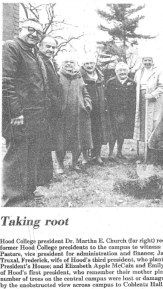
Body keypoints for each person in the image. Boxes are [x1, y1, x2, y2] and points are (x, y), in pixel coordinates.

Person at [2, 18, 51, 206]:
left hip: (36, 115)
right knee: (16, 156)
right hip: (20, 115)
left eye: (38, 32)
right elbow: (6, 82)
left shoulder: (33, 51)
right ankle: (13, 199)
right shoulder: (11, 47)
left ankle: (28, 193)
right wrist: (15, 112)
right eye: (30, 29)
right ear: (21, 29)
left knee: (31, 154)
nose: (34, 34)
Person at [53, 55, 93, 173]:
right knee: (61, 141)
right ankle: (60, 165)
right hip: (62, 114)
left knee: (79, 139)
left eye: (72, 62)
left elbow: (84, 92)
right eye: (66, 61)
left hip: (79, 114)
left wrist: (87, 103)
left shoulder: (78, 76)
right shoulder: (57, 76)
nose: (69, 64)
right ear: (62, 63)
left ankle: (74, 163)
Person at [38, 35, 63, 184]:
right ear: (40, 46)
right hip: (45, 108)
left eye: (53, 47)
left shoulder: (50, 62)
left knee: (48, 143)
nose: (51, 49)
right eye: (48, 46)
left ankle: (47, 176)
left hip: (52, 109)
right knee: (42, 144)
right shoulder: (39, 61)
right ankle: (42, 178)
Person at [80, 56, 112, 165]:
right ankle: (85, 157)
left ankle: (97, 155)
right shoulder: (80, 76)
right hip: (86, 108)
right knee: (85, 132)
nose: (89, 66)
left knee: (99, 132)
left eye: (91, 63)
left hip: (100, 109)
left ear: (95, 64)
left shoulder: (100, 75)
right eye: (87, 63)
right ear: (83, 65)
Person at [106, 62, 136, 160]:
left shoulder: (132, 83)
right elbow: (107, 97)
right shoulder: (111, 82)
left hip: (126, 112)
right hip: (113, 112)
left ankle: (119, 152)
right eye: (120, 70)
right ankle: (110, 153)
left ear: (128, 71)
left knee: (122, 132)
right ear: (116, 72)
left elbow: (134, 99)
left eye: (124, 70)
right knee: (113, 132)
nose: (122, 72)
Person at [133, 56, 163, 146]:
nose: (147, 62)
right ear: (142, 61)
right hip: (141, 100)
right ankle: (143, 146)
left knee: (154, 122)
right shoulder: (138, 73)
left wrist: (152, 95)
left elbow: (162, 86)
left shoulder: (158, 72)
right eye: (145, 60)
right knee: (143, 122)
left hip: (154, 101)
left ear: (152, 61)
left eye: (149, 60)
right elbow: (135, 84)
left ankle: (152, 146)